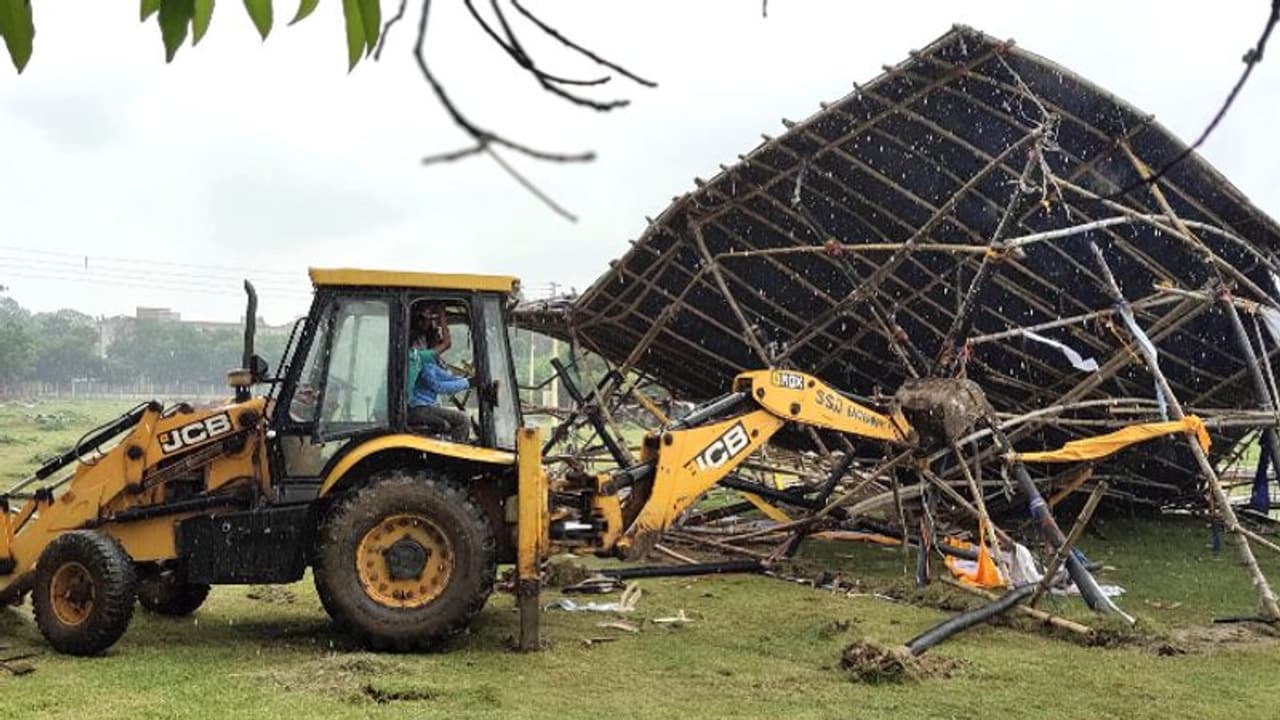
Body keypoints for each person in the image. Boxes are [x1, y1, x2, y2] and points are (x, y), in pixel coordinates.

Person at [407, 307, 471, 442]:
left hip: (424, 406)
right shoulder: (418, 357)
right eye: (437, 335)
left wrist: (466, 380)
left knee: (450, 423)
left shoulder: (430, 361)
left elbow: (447, 378)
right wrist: (442, 316)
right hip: (417, 407)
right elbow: (437, 386)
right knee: (462, 420)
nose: (439, 338)